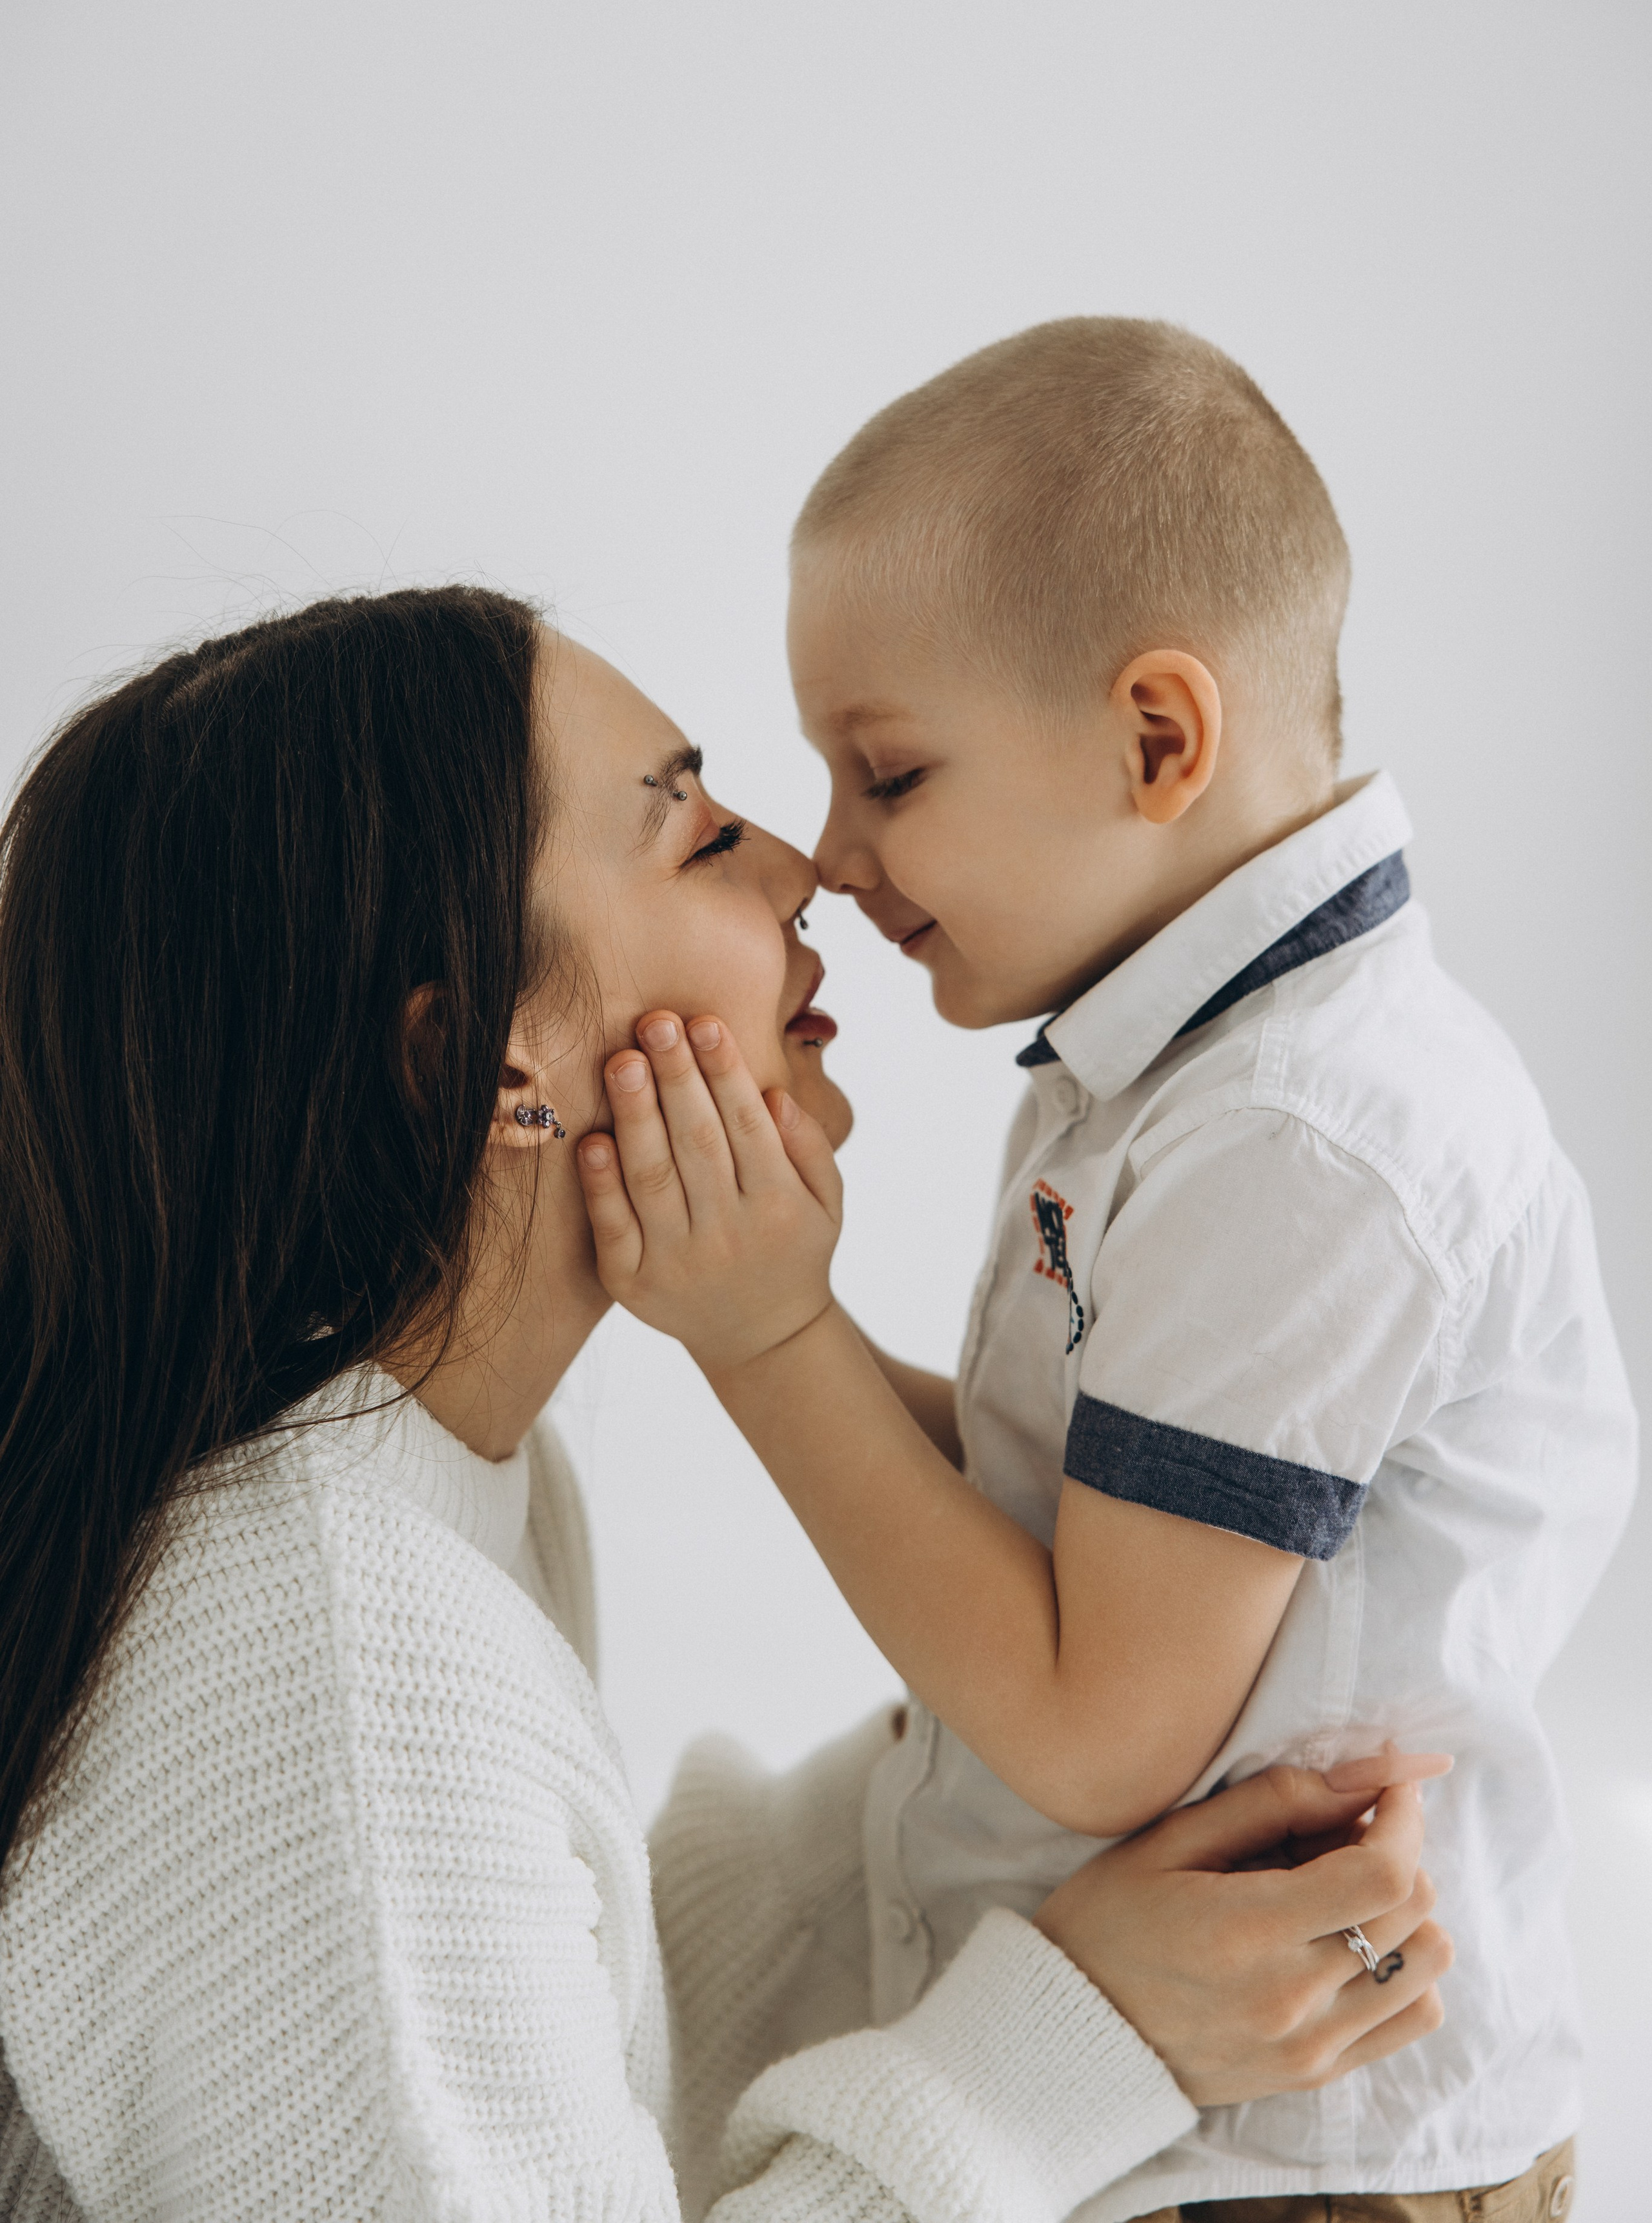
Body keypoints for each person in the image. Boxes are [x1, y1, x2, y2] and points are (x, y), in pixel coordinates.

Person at [0, 588, 1449, 2223]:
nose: (809, 868)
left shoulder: (425, 1470)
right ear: (480, 1066)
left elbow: (556, 2058)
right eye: (693, 838)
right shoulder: (334, 1666)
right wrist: (1070, 2040)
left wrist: (942, 1819)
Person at [575, 321, 1629, 2222]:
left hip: (1284, 2162)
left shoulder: (1300, 1141)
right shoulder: (1184, 1064)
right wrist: (754, 1305)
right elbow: (1056, 1505)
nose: (830, 854)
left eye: (887, 775)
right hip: (1168, 2110)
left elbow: (1091, 1731)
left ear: (1158, 737)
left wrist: (773, 1343)